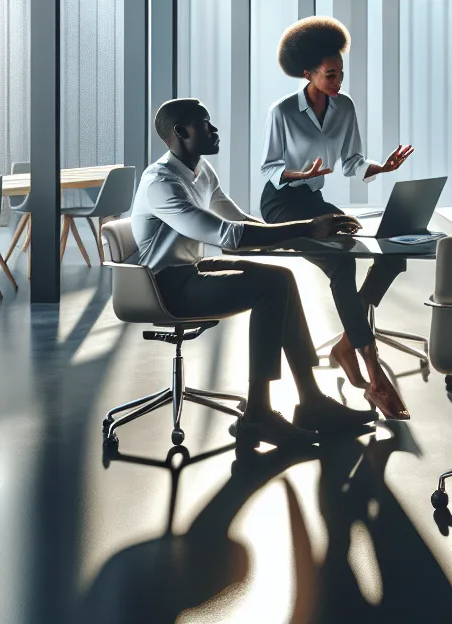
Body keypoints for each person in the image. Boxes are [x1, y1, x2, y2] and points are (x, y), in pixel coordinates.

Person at [129, 97, 378, 447]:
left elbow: (240, 221)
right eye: (205, 124)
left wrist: (306, 236)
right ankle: (258, 415)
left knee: (282, 278)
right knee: (269, 286)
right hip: (162, 287)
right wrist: (307, 227)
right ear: (181, 132)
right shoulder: (161, 183)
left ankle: (311, 401)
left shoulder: (202, 172)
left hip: (190, 270)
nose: (214, 129)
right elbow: (227, 236)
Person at [260, 17, 416, 419]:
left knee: (390, 253)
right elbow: (269, 168)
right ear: (308, 73)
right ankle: (374, 375)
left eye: (341, 74)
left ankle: (347, 344)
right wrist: (301, 174)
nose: (338, 81)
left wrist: (382, 167)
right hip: (281, 205)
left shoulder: (344, 107)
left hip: (313, 201)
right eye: (330, 75)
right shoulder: (282, 112)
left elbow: (351, 162)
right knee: (342, 264)